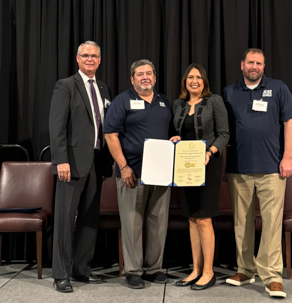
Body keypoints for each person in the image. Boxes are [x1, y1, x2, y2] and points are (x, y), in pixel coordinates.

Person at [223, 48, 292, 298]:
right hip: (238, 169)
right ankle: (244, 269)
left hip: (272, 168)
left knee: (272, 223)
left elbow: (290, 122)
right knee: (241, 223)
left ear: (264, 67)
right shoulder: (229, 92)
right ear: (241, 64)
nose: (254, 66)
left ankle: (272, 276)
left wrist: (287, 157)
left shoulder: (278, 88)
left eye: (259, 63)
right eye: (250, 62)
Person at [49, 41, 113, 293]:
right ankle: (60, 274)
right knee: (65, 220)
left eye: (94, 56)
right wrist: (60, 159)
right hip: (71, 164)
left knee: (89, 219)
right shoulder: (65, 86)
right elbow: (57, 127)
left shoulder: (104, 88)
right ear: (77, 58)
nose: (90, 59)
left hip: (96, 163)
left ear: (99, 59)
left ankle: (81, 269)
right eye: (85, 55)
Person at [104, 59, 172, 289]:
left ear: (155, 77)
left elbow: (171, 133)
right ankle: (133, 270)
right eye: (140, 74)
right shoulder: (122, 101)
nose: (145, 77)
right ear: (132, 79)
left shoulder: (164, 102)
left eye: (149, 73)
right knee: (132, 222)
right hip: (131, 173)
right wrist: (123, 167)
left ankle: (154, 268)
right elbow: (110, 135)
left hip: (161, 173)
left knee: (158, 221)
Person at [170, 64, 229, 290]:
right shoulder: (178, 104)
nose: (194, 81)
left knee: (204, 219)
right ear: (185, 81)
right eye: (190, 77)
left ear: (204, 81)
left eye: (198, 77)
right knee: (192, 218)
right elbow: (178, 132)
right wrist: (175, 137)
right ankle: (195, 270)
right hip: (185, 166)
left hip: (208, 165)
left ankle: (208, 272)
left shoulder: (214, 101)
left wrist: (210, 152)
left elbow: (224, 134)